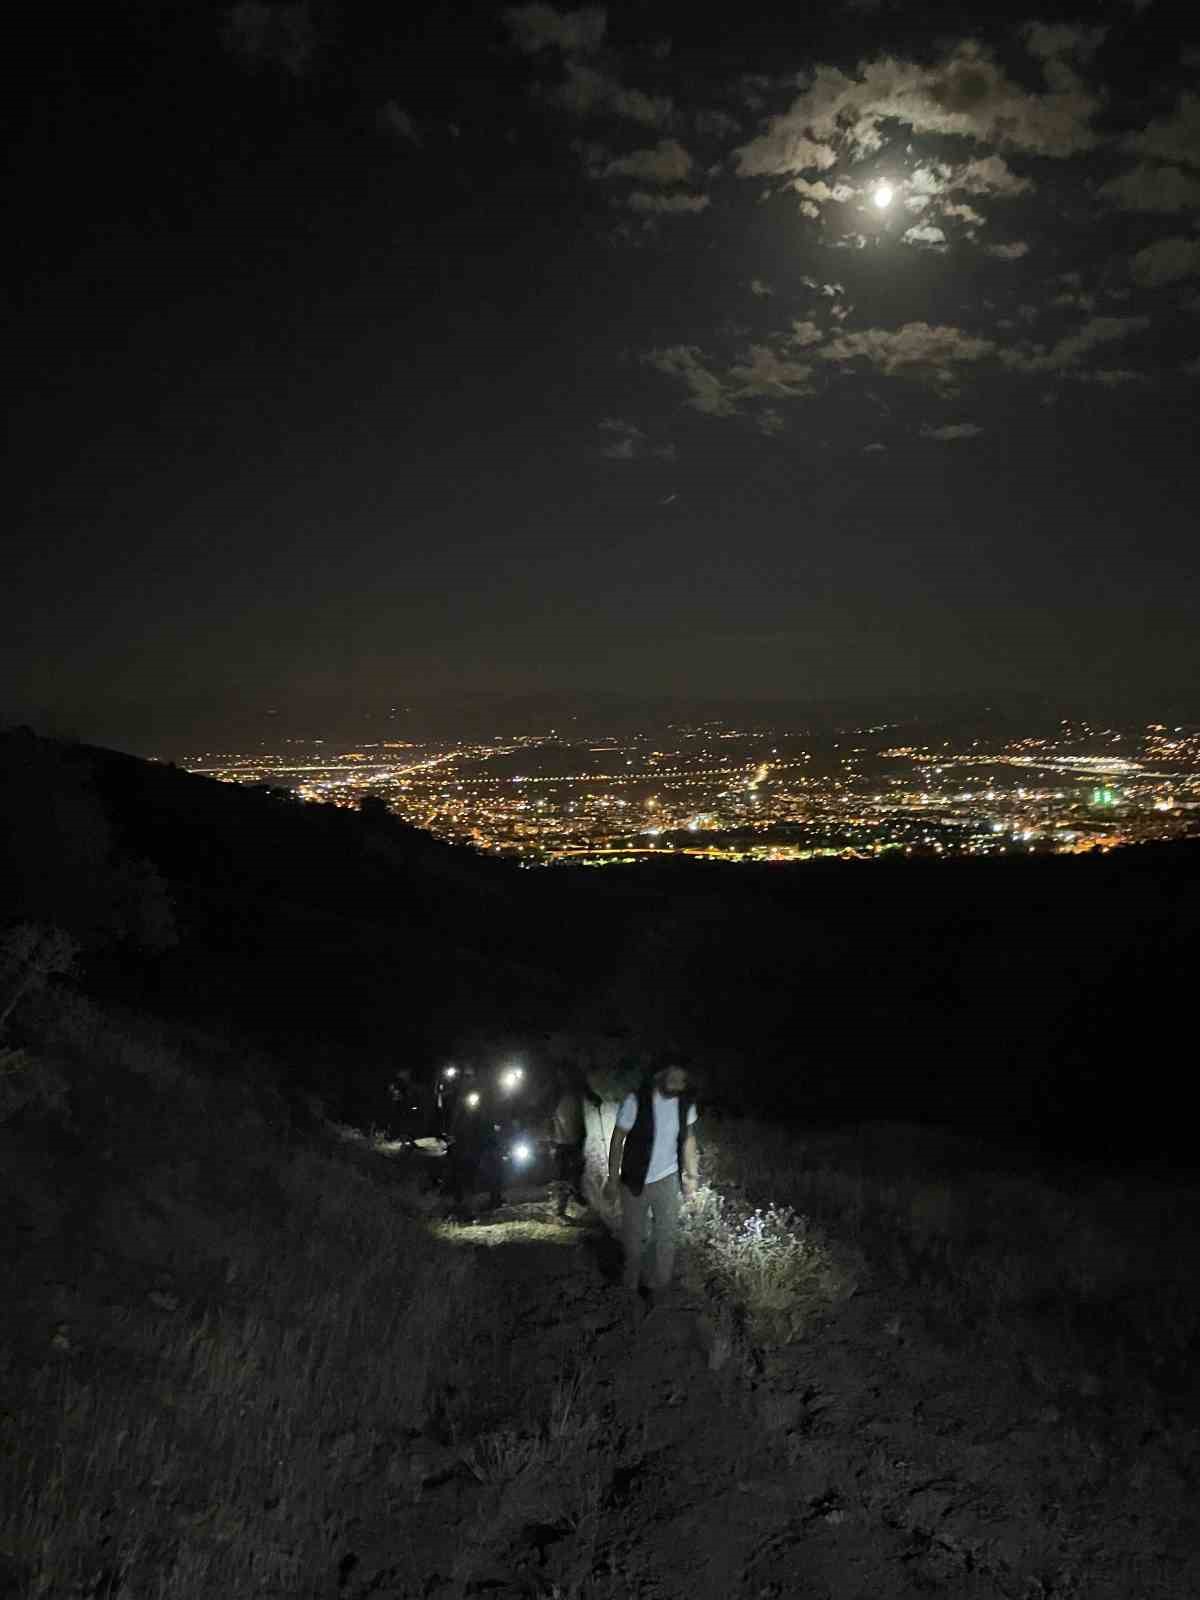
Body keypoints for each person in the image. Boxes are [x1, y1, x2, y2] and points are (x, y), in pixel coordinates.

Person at [604, 1061, 699, 1305]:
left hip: (668, 1179)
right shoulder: (636, 1101)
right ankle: (630, 1291)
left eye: (683, 1081)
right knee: (635, 1241)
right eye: (674, 1079)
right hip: (635, 1180)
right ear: (659, 1076)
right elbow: (617, 1140)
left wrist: (691, 1176)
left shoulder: (685, 1104)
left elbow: (688, 1140)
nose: (679, 1086)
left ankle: (660, 1292)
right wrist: (613, 1179)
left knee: (666, 1237)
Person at [548, 1069, 585, 1218]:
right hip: (561, 1142)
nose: (565, 1080)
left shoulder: (574, 1094)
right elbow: (549, 1118)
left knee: (575, 1171)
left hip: (573, 1140)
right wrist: (551, 1138)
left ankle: (575, 1195)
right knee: (562, 1175)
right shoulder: (556, 1095)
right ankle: (561, 1208)